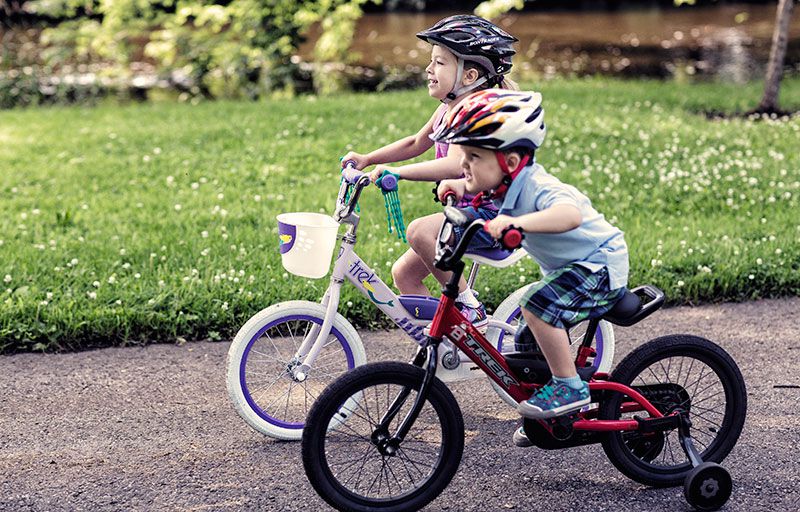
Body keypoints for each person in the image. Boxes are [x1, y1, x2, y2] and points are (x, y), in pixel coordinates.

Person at [433, 89, 629, 445]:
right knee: (524, 340)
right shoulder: (502, 189)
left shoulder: (539, 187)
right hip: (571, 270)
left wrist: (520, 226)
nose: (463, 163)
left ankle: (570, 390)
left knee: (536, 306)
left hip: (599, 267)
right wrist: (459, 187)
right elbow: (477, 193)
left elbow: (567, 215)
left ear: (509, 162)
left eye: (473, 156)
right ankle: (549, 420)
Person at [341, 14, 519, 330]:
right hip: (466, 216)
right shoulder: (446, 109)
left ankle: (469, 307)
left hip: (493, 221)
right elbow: (415, 143)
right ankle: (454, 343)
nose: (428, 69)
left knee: (421, 231)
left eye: (439, 63)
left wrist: (399, 173)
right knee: (404, 274)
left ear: (469, 75)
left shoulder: (476, 113)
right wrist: (368, 158)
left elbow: (455, 164)